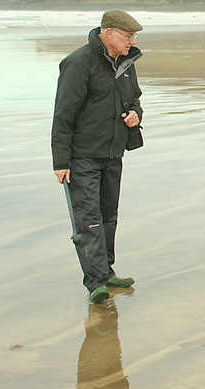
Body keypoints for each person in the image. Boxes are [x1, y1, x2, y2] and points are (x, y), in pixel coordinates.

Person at [51, 10, 143, 303]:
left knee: (108, 216)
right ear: (109, 32)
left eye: (133, 37)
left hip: (113, 153)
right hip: (82, 156)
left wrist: (134, 115)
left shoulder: (126, 63)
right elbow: (64, 113)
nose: (132, 41)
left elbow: (135, 99)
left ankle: (107, 271)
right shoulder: (79, 62)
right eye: (128, 36)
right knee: (88, 219)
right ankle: (95, 283)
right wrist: (61, 161)